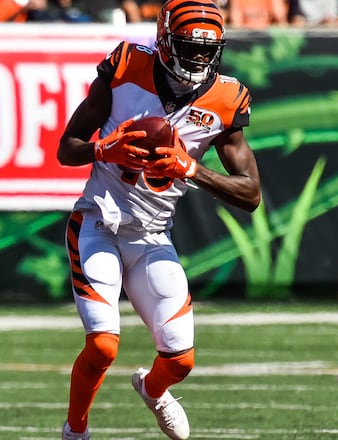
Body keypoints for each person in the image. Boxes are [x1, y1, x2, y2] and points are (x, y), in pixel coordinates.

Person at [56, 0, 261, 438]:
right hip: (99, 221)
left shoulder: (225, 98)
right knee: (103, 345)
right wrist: (101, 149)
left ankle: (152, 390)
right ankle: (75, 431)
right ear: (165, 41)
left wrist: (193, 169)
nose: (200, 59)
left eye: (208, 50)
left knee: (180, 359)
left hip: (152, 236)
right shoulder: (127, 65)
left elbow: (251, 194)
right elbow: (66, 147)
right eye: (190, 47)